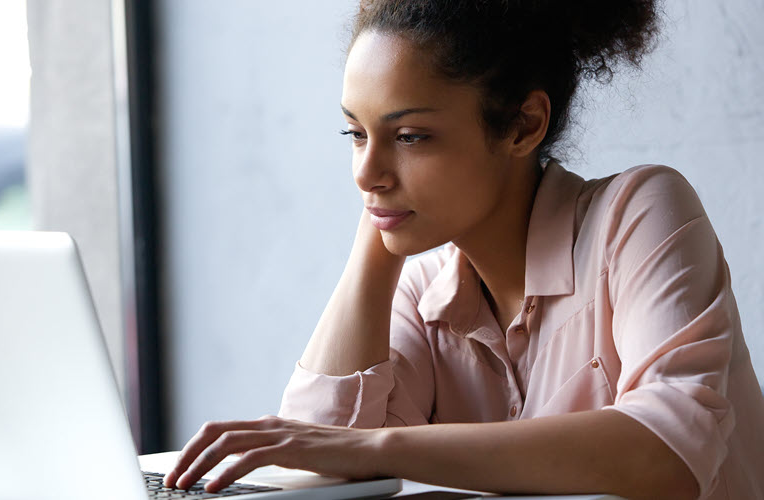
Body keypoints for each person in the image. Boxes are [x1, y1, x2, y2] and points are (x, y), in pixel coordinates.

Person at [164, 1, 764, 498]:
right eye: (355, 134)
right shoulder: (420, 290)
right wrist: (379, 238)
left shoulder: (639, 213)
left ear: (524, 125)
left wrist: (383, 448)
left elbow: (669, 453)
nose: (364, 171)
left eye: (410, 136)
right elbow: (315, 468)